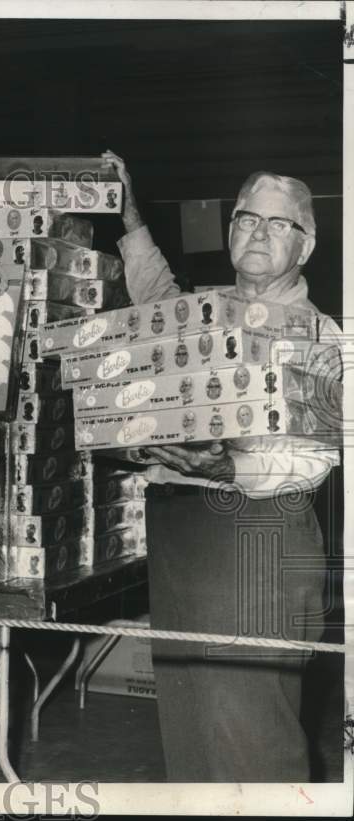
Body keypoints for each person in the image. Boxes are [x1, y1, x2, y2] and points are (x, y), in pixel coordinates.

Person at [101, 151, 341, 781]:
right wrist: (130, 216)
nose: (257, 232)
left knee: (252, 735)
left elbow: (316, 455)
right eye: (245, 218)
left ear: (306, 245)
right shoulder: (209, 311)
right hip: (184, 536)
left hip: (257, 536)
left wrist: (226, 470)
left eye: (277, 224)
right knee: (193, 727)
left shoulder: (321, 338)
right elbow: (159, 297)